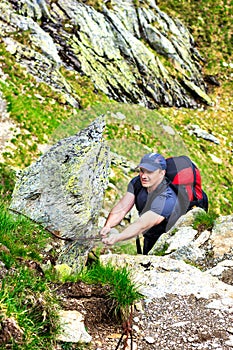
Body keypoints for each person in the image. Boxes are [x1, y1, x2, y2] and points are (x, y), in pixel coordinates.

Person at [100, 153, 183, 255]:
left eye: (150, 172)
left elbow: (142, 224)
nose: (144, 176)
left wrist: (119, 237)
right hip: (149, 235)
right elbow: (122, 207)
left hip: (170, 240)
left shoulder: (167, 197)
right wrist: (108, 226)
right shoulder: (137, 183)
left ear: (162, 173)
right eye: (142, 171)